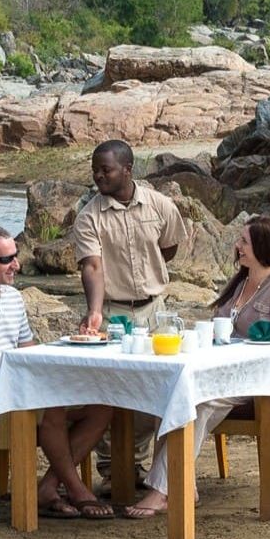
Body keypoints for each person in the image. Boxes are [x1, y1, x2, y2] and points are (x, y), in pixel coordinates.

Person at [123, 214, 270, 519]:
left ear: (263, 246)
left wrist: (247, 347)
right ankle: (182, 483)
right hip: (220, 369)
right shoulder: (243, 280)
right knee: (171, 395)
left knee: (198, 404)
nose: (237, 246)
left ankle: (160, 491)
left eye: (244, 241)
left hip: (253, 379)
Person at [0, 223, 116, 519]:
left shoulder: (12, 297)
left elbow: (28, 350)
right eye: (7, 259)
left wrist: (72, 345)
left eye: (15, 255)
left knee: (103, 405)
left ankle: (48, 487)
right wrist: (21, 366)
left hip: (19, 390)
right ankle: (77, 490)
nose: (16, 264)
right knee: (53, 408)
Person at [74, 139, 187, 489]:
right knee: (106, 391)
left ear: (127, 169)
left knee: (155, 391)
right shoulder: (89, 216)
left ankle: (144, 465)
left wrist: (149, 278)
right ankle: (113, 469)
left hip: (154, 312)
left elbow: (168, 247)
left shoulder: (160, 205)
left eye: (105, 170)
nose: (98, 176)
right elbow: (92, 266)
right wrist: (95, 312)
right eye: (95, 170)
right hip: (112, 312)